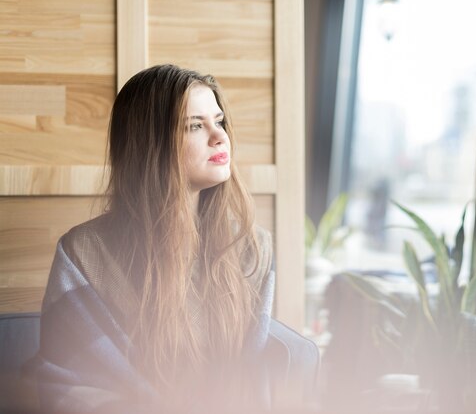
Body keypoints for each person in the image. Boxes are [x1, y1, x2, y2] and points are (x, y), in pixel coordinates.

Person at [27, 64, 318, 413]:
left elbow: (257, 379)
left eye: (219, 120)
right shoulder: (85, 253)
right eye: (195, 125)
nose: (219, 136)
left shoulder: (251, 247)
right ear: (150, 142)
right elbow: (68, 386)